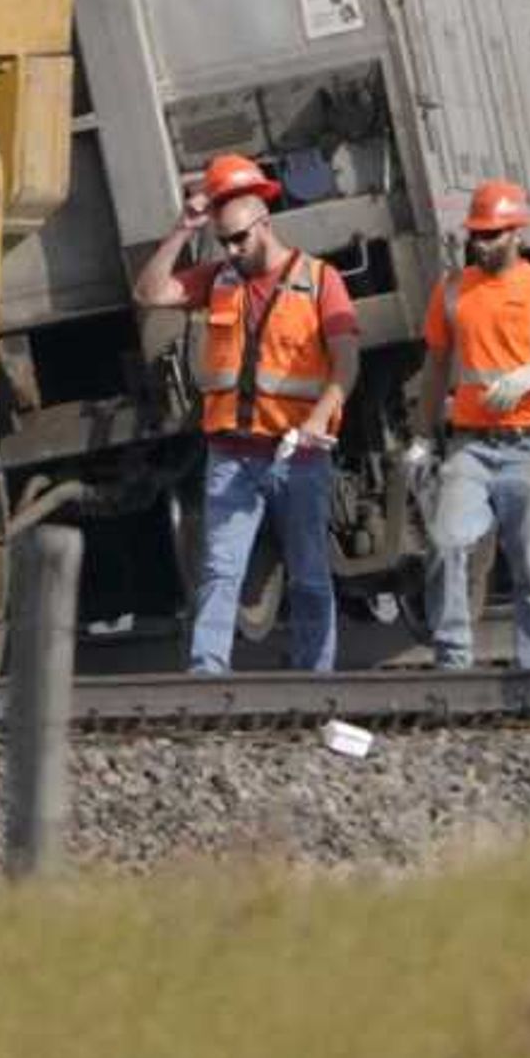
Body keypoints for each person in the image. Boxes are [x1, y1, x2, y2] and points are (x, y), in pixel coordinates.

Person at [134, 150, 359, 673]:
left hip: (298, 456)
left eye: (239, 239)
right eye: (224, 242)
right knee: (218, 569)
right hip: (232, 454)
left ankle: (315, 676)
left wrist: (318, 418)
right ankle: (207, 674)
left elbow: (346, 365)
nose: (232, 251)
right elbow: (148, 293)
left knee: (309, 573)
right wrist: (182, 229)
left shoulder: (320, 281)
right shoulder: (218, 279)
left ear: (264, 223)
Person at [408, 179, 530, 672]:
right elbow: (434, 368)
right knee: (448, 541)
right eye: (476, 235)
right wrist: (422, 440)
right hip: (471, 448)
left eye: (491, 235)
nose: (480, 244)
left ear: (516, 233)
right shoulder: (452, 291)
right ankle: (452, 660)